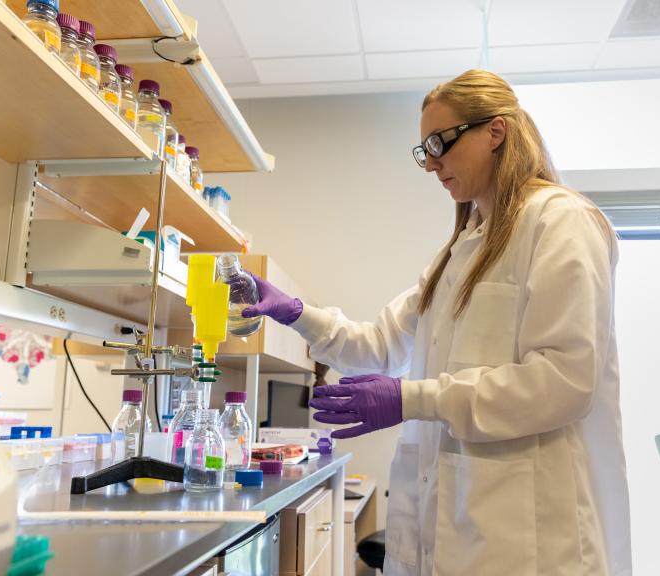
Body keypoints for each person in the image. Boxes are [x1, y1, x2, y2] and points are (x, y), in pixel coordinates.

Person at [242, 69, 631, 575]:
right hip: (457, 525)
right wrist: (296, 313)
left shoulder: (560, 221)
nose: (430, 165)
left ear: (496, 132)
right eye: (423, 151)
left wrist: (411, 399)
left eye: (439, 144)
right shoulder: (460, 252)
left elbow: (563, 381)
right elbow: (378, 344)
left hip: (533, 538)